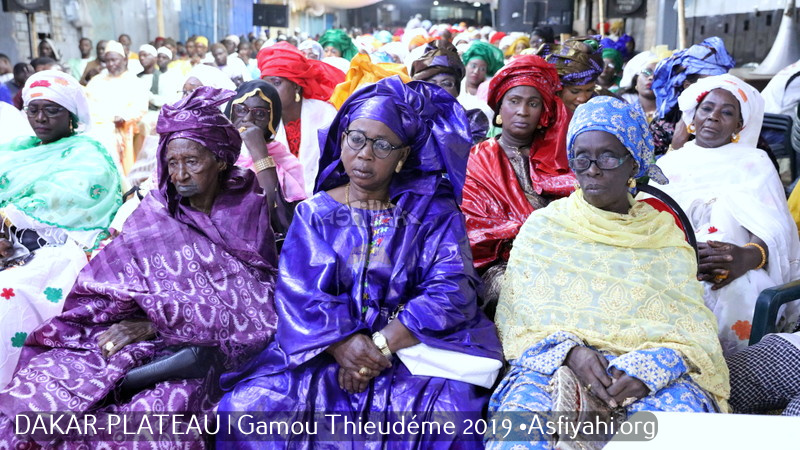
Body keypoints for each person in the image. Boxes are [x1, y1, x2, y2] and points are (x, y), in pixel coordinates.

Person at [216, 76, 502, 448]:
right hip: (326, 349)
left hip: (413, 348)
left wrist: (379, 346)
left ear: (403, 156)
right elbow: (302, 293)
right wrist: (344, 345)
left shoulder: (434, 212)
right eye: (356, 139)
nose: (365, 154)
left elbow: (452, 288)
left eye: (383, 145)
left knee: (450, 415)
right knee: (246, 409)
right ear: (342, 140)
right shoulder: (315, 214)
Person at [0, 87, 279, 447]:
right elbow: (106, 283)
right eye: (172, 163)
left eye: (192, 162)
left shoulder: (244, 208)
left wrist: (154, 324)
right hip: (124, 329)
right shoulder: (156, 210)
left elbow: (255, 303)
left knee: (144, 423)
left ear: (221, 161)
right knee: (43, 386)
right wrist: (127, 319)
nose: (179, 174)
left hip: (198, 352)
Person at [485, 96, 730, 450]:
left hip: (647, 374)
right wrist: (570, 354)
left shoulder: (663, 236)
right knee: (523, 432)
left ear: (634, 163)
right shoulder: (544, 228)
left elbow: (692, 333)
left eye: (608, 157)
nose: (593, 170)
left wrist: (650, 369)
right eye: (581, 158)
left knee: (675, 428)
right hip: (554, 365)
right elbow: (518, 322)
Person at [657, 74, 800, 356]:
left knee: (739, 291)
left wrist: (747, 256)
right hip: (670, 262)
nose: (713, 116)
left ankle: (735, 372)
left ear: (739, 125)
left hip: (737, 267)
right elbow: (648, 218)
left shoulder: (754, 163)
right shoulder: (669, 163)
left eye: (727, 112)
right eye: (707, 108)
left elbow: (775, 228)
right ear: (694, 116)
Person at [0, 70, 122, 388]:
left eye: (52, 110)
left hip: (59, 247)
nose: (40, 118)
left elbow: (58, 203)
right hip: (9, 240)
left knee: (7, 296)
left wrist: (6, 223)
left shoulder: (88, 153)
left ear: (71, 115)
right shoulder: (16, 148)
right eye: (33, 109)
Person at [461, 55, 575, 311]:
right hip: (501, 264)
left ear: (543, 112)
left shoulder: (560, 157)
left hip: (564, 255)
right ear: (500, 108)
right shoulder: (477, 159)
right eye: (514, 101)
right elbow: (475, 226)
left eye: (533, 103)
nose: (523, 111)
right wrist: (528, 234)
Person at [257, 42, 344, 196]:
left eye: (276, 83)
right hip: (279, 202)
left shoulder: (325, 114)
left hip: (324, 197)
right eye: (265, 84)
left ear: (296, 86)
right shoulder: (261, 119)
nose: (269, 91)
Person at [225, 79, 306, 236]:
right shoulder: (218, 153)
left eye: (260, 114)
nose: (248, 119)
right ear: (231, 112)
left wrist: (259, 152)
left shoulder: (287, 163)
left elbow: (271, 213)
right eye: (241, 109)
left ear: (271, 121)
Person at [651, 37, 735, 154]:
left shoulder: (735, 123)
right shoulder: (663, 127)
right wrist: (676, 145)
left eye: (720, 85)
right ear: (687, 86)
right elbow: (649, 164)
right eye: (708, 86)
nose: (715, 93)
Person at [85, 40, 148, 178]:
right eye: (107, 61)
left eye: (114, 60)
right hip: (97, 126)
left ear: (124, 60)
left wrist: (125, 117)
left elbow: (140, 107)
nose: (110, 64)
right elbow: (88, 105)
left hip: (122, 127)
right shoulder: (96, 81)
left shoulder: (135, 82)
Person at [411, 39, 490, 143]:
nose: (438, 89)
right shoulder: (409, 119)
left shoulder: (472, 121)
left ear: (456, 91)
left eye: (446, 83)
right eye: (431, 84)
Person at [535, 37, 604, 115]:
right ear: (557, 88)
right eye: (575, 91)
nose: (582, 98)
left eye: (589, 90)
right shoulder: (540, 114)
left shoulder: (603, 106)